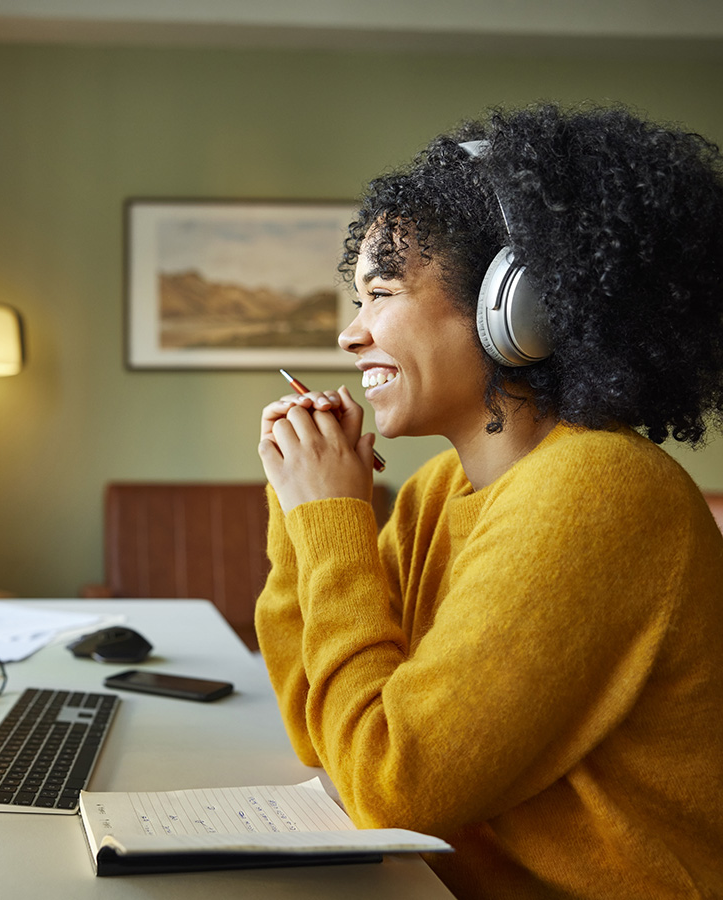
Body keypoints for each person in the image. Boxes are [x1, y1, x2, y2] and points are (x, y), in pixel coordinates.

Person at [254, 104, 723, 900]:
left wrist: (330, 522)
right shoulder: (448, 487)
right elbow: (321, 729)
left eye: (381, 294)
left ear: (514, 307)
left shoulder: (599, 491)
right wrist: (300, 511)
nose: (350, 334)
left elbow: (389, 784)